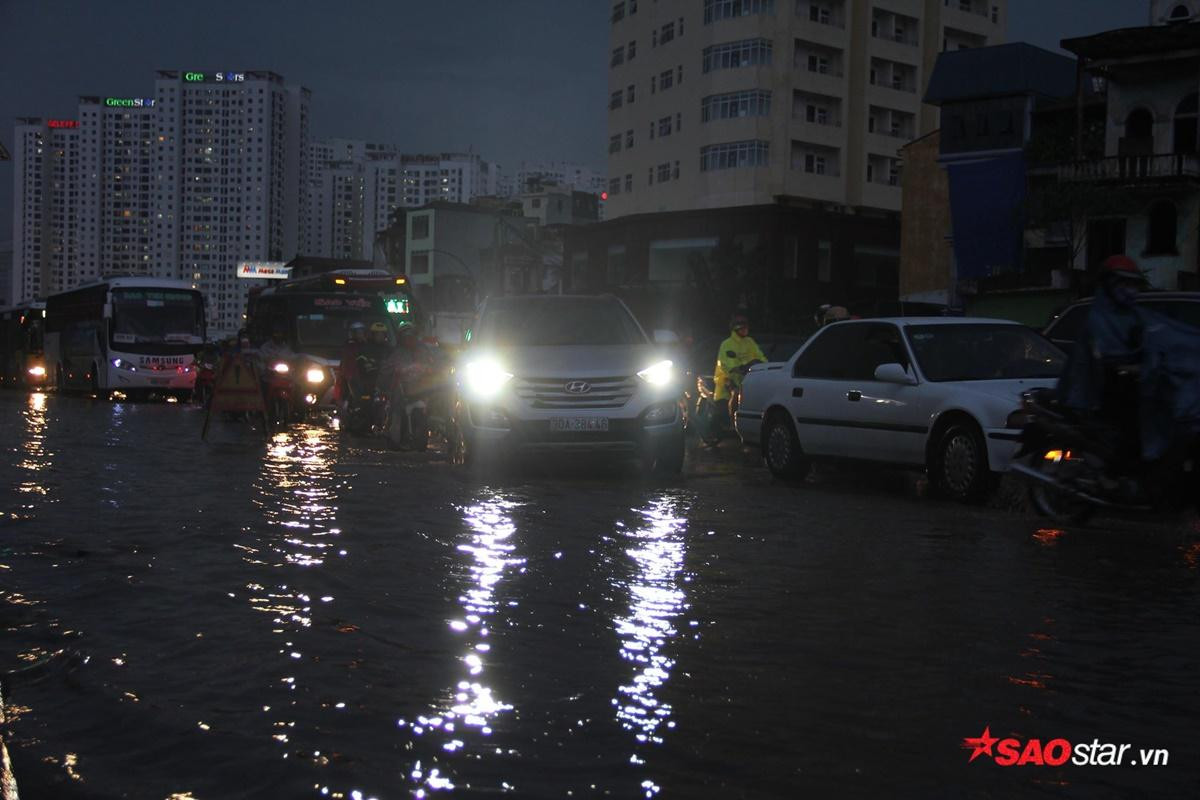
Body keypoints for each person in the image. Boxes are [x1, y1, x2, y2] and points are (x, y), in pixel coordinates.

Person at [713, 312, 766, 412]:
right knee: (736, 394)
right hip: (727, 382)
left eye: (746, 327)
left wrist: (764, 366)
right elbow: (731, 366)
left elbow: (761, 358)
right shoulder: (727, 344)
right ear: (736, 329)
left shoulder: (750, 342)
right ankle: (733, 424)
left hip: (747, 381)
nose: (746, 329)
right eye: (743, 328)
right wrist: (744, 368)